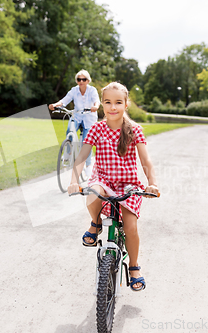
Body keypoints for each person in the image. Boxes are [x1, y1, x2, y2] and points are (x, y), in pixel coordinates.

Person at [67, 82, 159, 292]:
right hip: (104, 180)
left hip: (128, 185)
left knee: (130, 227)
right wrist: (74, 180)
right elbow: (82, 156)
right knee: (92, 193)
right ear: (102, 105)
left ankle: (134, 267)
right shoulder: (97, 129)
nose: (112, 107)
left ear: (126, 104)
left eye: (118, 102)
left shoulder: (134, 130)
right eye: (108, 102)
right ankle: (96, 223)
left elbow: (146, 160)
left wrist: (152, 183)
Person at [49, 70, 99, 178]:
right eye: (79, 79)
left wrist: (96, 107)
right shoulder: (74, 90)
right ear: (77, 81)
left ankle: (88, 165)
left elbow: (97, 101)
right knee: (69, 130)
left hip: (89, 118)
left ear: (88, 80)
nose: (81, 81)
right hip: (77, 116)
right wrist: (55, 104)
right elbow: (64, 100)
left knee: (87, 143)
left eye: (84, 79)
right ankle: (68, 152)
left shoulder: (92, 90)